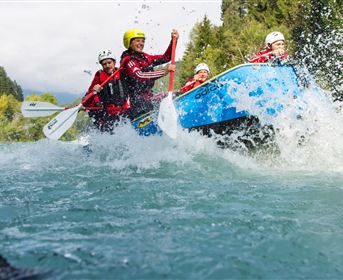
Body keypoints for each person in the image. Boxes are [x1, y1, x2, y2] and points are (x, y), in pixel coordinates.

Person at [120, 28, 179, 119]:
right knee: (155, 103)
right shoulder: (129, 60)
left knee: (175, 95)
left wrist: (173, 41)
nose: (141, 43)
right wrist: (164, 71)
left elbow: (166, 58)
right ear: (129, 43)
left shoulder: (145, 57)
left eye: (143, 41)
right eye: (137, 41)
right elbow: (139, 75)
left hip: (149, 96)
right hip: (137, 101)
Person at [82, 50, 130, 132]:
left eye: (109, 62)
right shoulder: (99, 76)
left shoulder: (122, 73)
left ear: (114, 62)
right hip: (107, 115)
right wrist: (94, 91)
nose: (107, 66)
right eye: (104, 64)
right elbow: (86, 100)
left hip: (123, 113)